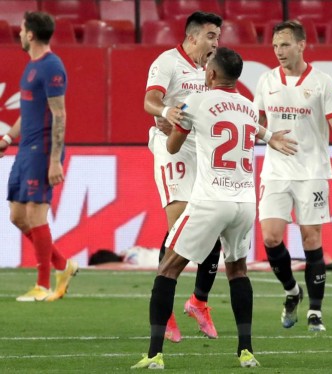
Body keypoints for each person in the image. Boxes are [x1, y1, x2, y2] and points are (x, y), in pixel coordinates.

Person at [132, 46, 264, 370]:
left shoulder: (199, 101)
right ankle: (246, 351)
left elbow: (173, 147)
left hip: (211, 199)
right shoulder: (249, 108)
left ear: (211, 74)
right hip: (245, 202)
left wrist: (174, 130)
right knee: (238, 271)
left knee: (167, 269)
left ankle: (154, 355)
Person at [254, 20, 332, 332]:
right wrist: (268, 136)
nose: (279, 51)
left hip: (312, 171)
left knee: (312, 239)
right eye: (274, 46)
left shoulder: (322, 82)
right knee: (271, 237)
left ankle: (315, 311)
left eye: (284, 45)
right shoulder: (265, 80)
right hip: (275, 171)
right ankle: (291, 291)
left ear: (301, 45)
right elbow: (255, 123)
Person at [144, 11, 223, 342]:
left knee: (213, 224)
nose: (216, 43)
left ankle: (199, 301)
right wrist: (166, 112)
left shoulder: (210, 68)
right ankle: (167, 309)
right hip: (171, 148)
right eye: (210, 37)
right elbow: (150, 99)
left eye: (218, 37)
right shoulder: (167, 62)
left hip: (201, 150)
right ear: (192, 37)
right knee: (179, 228)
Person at [0, 11, 78, 302]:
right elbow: (28, 112)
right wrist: (8, 137)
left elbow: (60, 114)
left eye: (21, 30)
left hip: (42, 150)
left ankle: (42, 285)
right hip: (24, 149)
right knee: (17, 216)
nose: (19, 34)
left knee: (35, 213)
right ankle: (63, 264)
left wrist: (55, 159)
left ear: (30, 34)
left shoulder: (51, 67)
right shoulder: (31, 66)